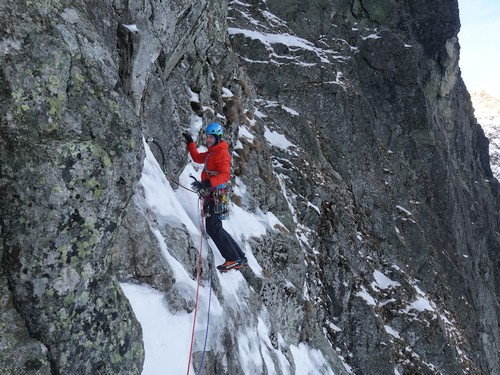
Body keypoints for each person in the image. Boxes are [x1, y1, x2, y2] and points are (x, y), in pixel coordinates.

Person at [183, 123, 247, 271]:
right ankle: (239, 257)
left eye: (211, 137)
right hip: (214, 192)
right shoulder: (213, 152)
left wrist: (207, 183)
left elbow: (225, 175)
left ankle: (232, 258)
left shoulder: (221, 153)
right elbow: (198, 158)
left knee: (213, 228)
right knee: (216, 227)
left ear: (218, 138)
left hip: (215, 194)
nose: (208, 140)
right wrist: (190, 143)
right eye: (207, 137)